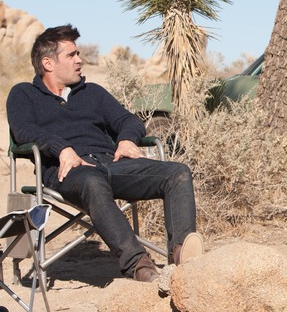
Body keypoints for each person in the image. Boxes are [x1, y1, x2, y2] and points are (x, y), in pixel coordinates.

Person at [6, 24, 204, 283]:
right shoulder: (24, 94)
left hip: (113, 164)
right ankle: (138, 263)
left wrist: (125, 140)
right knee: (92, 182)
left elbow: (129, 120)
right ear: (48, 63)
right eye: (71, 55)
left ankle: (182, 259)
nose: (79, 60)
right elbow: (24, 131)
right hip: (68, 172)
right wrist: (61, 148)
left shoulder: (93, 93)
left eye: (78, 54)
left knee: (177, 173)